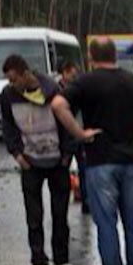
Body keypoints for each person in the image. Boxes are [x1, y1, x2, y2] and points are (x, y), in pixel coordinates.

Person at [51, 38, 133, 265]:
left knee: (106, 223)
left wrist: (79, 133)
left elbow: (58, 105)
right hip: (131, 160)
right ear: (115, 55)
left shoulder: (85, 82)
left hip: (100, 161)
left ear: (91, 57)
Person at [0, 55, 74, 265]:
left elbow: (70, 120)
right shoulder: (8, 96)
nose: (11, 84)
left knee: (60, 216)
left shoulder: (54, 91)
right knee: (34, 217)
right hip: (30, 163)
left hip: (57, 162)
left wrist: (66, 156)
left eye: (14, 79)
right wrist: (17, 154)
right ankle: (38, 258)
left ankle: (61, 258)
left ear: (25, 73)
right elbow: (8, 126)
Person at [57, 60, 89, 214]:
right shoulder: (58, 89)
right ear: (65, 72)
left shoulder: (78, 87)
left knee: (84, 169)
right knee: (63, 170)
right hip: (66, 137)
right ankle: (62, 202)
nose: (74, 74)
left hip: (79, 134)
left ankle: (86, 201)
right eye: (72, 72)